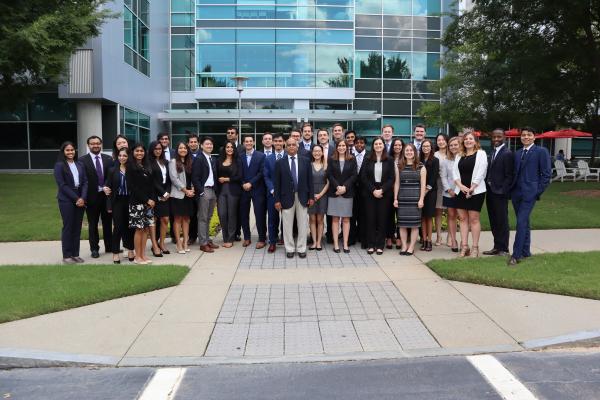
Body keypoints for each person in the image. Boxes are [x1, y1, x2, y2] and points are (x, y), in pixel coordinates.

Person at [508, 127, 551, 266]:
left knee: (520, 222)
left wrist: (537, 192)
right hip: (516, 193)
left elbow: (546, 175)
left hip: (529, 193)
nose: (525, 137)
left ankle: (516, 254)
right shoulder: (518, 153)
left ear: (534, 137)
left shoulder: (541, 152)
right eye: (523, 135)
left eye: (529, 135)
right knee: (524, 222)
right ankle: (526, 251)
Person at [274, 138, 314, 258]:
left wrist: (311, 196)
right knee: (287, 225)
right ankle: (289, 248)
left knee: (302, 224)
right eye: (289, 145)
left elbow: (310, 181)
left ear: (297, 147)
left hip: (302, 196)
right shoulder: (280, 163)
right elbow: (277, 183)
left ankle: (302, 248)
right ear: (286, 147)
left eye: (293, 145)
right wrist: (277, 200)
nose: (291, 146)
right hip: (286, 197)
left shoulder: (306, 161)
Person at [453, 132, 488, 258]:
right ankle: (465, 247)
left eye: (470, 139)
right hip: (461, 191)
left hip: (476, 191)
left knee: (474, 219)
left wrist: (472, 188)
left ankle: (475, 247)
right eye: (466, 139)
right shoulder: (459, 155)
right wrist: (461, 186)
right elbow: (454, 173)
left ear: (475, 141)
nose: (468, 141)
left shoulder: (481, 154)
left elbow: (482, 171)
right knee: (462, 219)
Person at [79, 135, 114, 258]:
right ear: (88, 145)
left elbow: (112, 177)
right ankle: (94, 249)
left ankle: (110, 246)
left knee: (108, 223)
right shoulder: (82, 161)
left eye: (98, 143)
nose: (95, 145)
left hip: (107, 197)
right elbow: (82, 180)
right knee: (93, 224)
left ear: (101, 144)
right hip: (91, 197)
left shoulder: (108, 159)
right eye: (93, 143)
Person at [360, 137, 396, 255]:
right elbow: (363, 177)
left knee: (382, 219)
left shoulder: (390, 160)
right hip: (370, 193)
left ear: (383, 145)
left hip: (384, 194)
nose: (378, 145)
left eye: (380, 143)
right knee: (370, 219)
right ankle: (371, 244)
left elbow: (392, 178)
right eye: (376, 144)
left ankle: (380, 245)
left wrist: (382, 190)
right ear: (373, 146)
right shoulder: (367, 159)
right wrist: (373, 190)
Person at [54, 142, 88, 264]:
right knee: (68, 227)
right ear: (63, 152)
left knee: (77, 227)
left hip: (80, 198)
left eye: (72, 150)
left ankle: (75, 254)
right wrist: (76, 199)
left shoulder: (80, 164)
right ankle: (67, 255)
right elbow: (62, 185)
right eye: (67, 150)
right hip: (66, 199)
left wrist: (82, 197)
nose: (70, 152)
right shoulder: (59, 166)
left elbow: (85, 182)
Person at [483, 128, 514, 257]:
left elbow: (510, 175)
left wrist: (503, 191)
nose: (496, 139)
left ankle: (504, 248)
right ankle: (496, 246)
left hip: (500, 193)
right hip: (490, 192)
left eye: (499, 137)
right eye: (494, 137)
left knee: (502, 221)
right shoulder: (493, 152)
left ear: (504, 138)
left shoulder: (507, 153)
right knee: (494, 220)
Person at [394, 144, 426, 256]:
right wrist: (395, 198)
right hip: (402, 198)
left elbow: (423, 185)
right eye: (406, 150)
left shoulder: (421, 166)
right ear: (404, 152)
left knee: (414, 225)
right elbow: (397, 183)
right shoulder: (399, 166)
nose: (409, 152)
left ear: (414, 152)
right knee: (402, 224)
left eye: (411, 150)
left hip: (415, 199)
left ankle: (411, 247)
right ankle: (404, 246)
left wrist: (421, 199)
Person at [326, 139, 357, 253]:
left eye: (344, 145)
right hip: (334, 193)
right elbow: (329, 174)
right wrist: (338, 187)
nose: (342, 147)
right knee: (335, 219)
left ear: (347, 147)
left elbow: (354, 175)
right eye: (340, 145)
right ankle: (336, 244)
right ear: (336, 147)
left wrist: (345, 187)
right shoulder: (332, 159)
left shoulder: (352, 159)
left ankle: (345, 244)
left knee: (346, 220)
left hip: (347, 193)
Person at [104, 148, 135, 263]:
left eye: (125, 156)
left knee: (130, 227)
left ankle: (130, 249)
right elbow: (108, 189)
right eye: (120, 155)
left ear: (128, 157)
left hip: (130, 200)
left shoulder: (133, 170)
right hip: (117, 201)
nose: (122, 158)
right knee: (118, 227)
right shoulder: (112, 170)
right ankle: (115, 252)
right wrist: (109, 205)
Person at [127, 143, 155, 265]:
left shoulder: (146, 165)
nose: (139, 153)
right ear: (133, 152)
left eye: (142, 151)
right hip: (137, 203)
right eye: (137, 151)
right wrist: (146, 200)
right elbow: (133, 187)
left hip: (148, 203)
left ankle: (143, 255)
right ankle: (137, 257)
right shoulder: (130, 167)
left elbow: (151, 185)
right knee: (139, 229)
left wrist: (152, 200)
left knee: (145, 230)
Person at [239, 135, 267, 248]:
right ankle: (246, 237)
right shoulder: (239, 156)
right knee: (244, 214)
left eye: (251, 141)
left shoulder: (261, 156)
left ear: (254, 143)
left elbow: (261, 172)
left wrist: (251, 183)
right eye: (246, 141)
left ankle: (261, 238)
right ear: (244, 143)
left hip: (257, 189)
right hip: (244, 189)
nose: (249, 143)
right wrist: (243, 183)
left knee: (259, 214)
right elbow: (238, 172)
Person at [192, 136, 219, 253]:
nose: (209, 146)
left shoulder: (212, 158)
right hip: (204, 190)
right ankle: (203, 243)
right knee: (202, 218)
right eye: (207, 144)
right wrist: (201, 191)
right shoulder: (199, 158)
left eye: (211, 144)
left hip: (212, 191)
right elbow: (195, 177)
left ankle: (207, 240)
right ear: (201, 146)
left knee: (208, 217)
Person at [169, 142, 195, 254]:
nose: (183, 149)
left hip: (189, 194)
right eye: (180, 148)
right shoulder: (173, 162)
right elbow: (174, 179)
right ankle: (178, 243)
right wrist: (185, 190)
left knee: (187, 219)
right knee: (177, 219)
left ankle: (185, 241)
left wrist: (192, 189)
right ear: (177, 150)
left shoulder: (190, 162)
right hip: (178, 194)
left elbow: (193, 177)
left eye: (185, 148)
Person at [217, 140, 242, 248]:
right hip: (221, 191)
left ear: (234, 148)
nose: (229, 149)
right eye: (227, 147)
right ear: (224, 149)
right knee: (222, 214)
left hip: (233, 190)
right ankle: (225, 237)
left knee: (232, 215)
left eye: (231, 147)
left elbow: (239, 176)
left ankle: (230, 238)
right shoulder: (219, 160)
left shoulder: (238, 161)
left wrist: (227, 179)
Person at [148, 140, 171, 257]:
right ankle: (154, 245)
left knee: (165, 219)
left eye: (160, 149)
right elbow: (152, 180)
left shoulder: (165, 162)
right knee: (154, 221)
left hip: (165, 195)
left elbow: (169, 179)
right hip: (153, 195)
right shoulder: (148, 162)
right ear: (152, 150)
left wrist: (167, 192)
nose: (158, 151)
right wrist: (163, 193)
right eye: (156, 149)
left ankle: (162, 243)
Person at [263, 133, 286, 253]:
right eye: (275, 141)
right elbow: (266, 176)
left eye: (280, 141)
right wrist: (272, 190)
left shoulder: (289, 156)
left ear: (283, 142)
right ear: (273, 143)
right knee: (272, 219)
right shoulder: (268, 158)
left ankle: (285, 239)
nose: (277, 143)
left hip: (286, 194)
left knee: (286, 218)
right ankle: (272, 242)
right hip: (272, 194)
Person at [440, 136, 461, 252]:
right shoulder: (445, 161)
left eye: (455, 145)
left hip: (462, 192)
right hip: (449, 193)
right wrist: (448, 189)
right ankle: (453, 240)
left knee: (463, 217)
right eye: (451, 145)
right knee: (452, 216)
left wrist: (459, 190)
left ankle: (464, 241)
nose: (453, 147)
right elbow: (443, 176)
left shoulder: (464, 158)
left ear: (460, 145)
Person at [308, 144, 329, 251]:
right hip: (311, 195)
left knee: (320, 219)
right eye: (315, 151)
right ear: (312, 153)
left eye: (319, 151)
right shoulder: (309, 165)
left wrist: (320, 194)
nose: (317, 153)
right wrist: (312, 195)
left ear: (322, 153)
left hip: (323, 195)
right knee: (312, 219)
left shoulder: (326, 165)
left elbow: (328, 183)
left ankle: (319, 242)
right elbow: (306, 182)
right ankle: (314, 242)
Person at [419, 139, 439, 252]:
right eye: (423, 146)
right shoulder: (420, 160)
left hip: (431, 192)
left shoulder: (435, 160)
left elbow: (433, 177)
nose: (425, 148)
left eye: (427, 146)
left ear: (431, 147)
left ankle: (430, 240)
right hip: (420, 192)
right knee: (422, 216)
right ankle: (424, 239)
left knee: (429, 217)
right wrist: (421, 192)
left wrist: (425, 191)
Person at [387, 138, 404, 249]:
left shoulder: (406, 159)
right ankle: (389, 236)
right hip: (389, 190)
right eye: (395, 145)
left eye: (399, 145)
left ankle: (399, 238)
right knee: (389, 215)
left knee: (400, 215)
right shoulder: (388, 159)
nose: (397, 147)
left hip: (402, 191)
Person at [350, 136, 367, 248]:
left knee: (363, 214)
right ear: (354, 144)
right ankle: (351, 237)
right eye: (357, 143)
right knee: (352, 214)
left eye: (361, 143)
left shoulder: (369, 155)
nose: (359, 145)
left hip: (365, 190)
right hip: (352, 189)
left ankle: (362, 236)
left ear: (365, 144)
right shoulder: (350, 156)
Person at [433, 134, 449, 246]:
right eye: (439, 140)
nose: (441, 142)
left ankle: (450, 237)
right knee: (438, 211)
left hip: (451, 186)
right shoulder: (435, 155)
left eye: (443, 139)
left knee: (451, 212)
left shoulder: (452, 153)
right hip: (438, 185)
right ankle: (439, 236)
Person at [187, 133, 200, 245]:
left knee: (202, 214)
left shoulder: (203, 154)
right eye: (191, 142)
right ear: (188, 144)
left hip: (200, 190)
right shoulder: (185, 156)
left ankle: (203, 237)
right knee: (191, 215)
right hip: (189, 191)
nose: (193, 143)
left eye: (195, 141)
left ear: (198, 143)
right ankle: (192, 236)